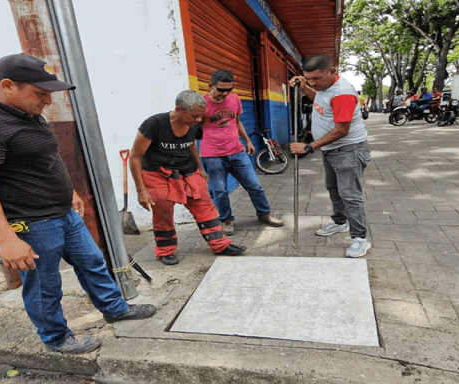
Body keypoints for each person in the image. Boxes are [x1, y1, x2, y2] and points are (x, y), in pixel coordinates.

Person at [0, 53, 156, 355]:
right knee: (45, 285)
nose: (48, 100)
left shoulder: (27, 115)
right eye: (40, 92)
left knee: (93, 263)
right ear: (7, 86)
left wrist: (68, 191)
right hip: (29, 224)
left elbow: (45, 158)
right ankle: (56, 338)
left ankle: (114, 308)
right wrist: (7, 240)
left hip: (62, 214)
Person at [129, 89, 247, 266]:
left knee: (205, 206)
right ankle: (165, 251)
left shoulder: (194, 123)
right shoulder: (154, 124)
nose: (199, 120)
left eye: (201, 116)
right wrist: (141, 191)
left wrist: (200, 169)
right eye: (195, 116)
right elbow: (135, 157)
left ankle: (220, 245)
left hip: (187, 171)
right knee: (163, 211)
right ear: (179, 109)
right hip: (157, 173)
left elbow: (191, 144)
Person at [288, 55, 372, 258]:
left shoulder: (342, 93)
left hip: (348, 150)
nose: (313, 83)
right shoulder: (324, 89)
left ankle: (360, 239)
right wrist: (304, 88)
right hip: (331, 150)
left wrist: (309, 147)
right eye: (308, 78)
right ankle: (340, 222)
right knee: (333, 189)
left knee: (350, 195)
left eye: (316, 78)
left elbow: (341, 130)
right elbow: (320, 102)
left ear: (332, 71)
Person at [199, 69, 283, 235]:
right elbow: (192, 130)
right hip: (212, 154)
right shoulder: (201, 104)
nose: (225, 93)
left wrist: (248, 141)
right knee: (220, 191)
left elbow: (237, 122)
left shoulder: (234, 99)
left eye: (229, 89)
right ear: (211, 85)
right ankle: (226, 220)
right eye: (221, 89)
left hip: (237, 151)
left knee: (254, 186)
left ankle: (264, 214)